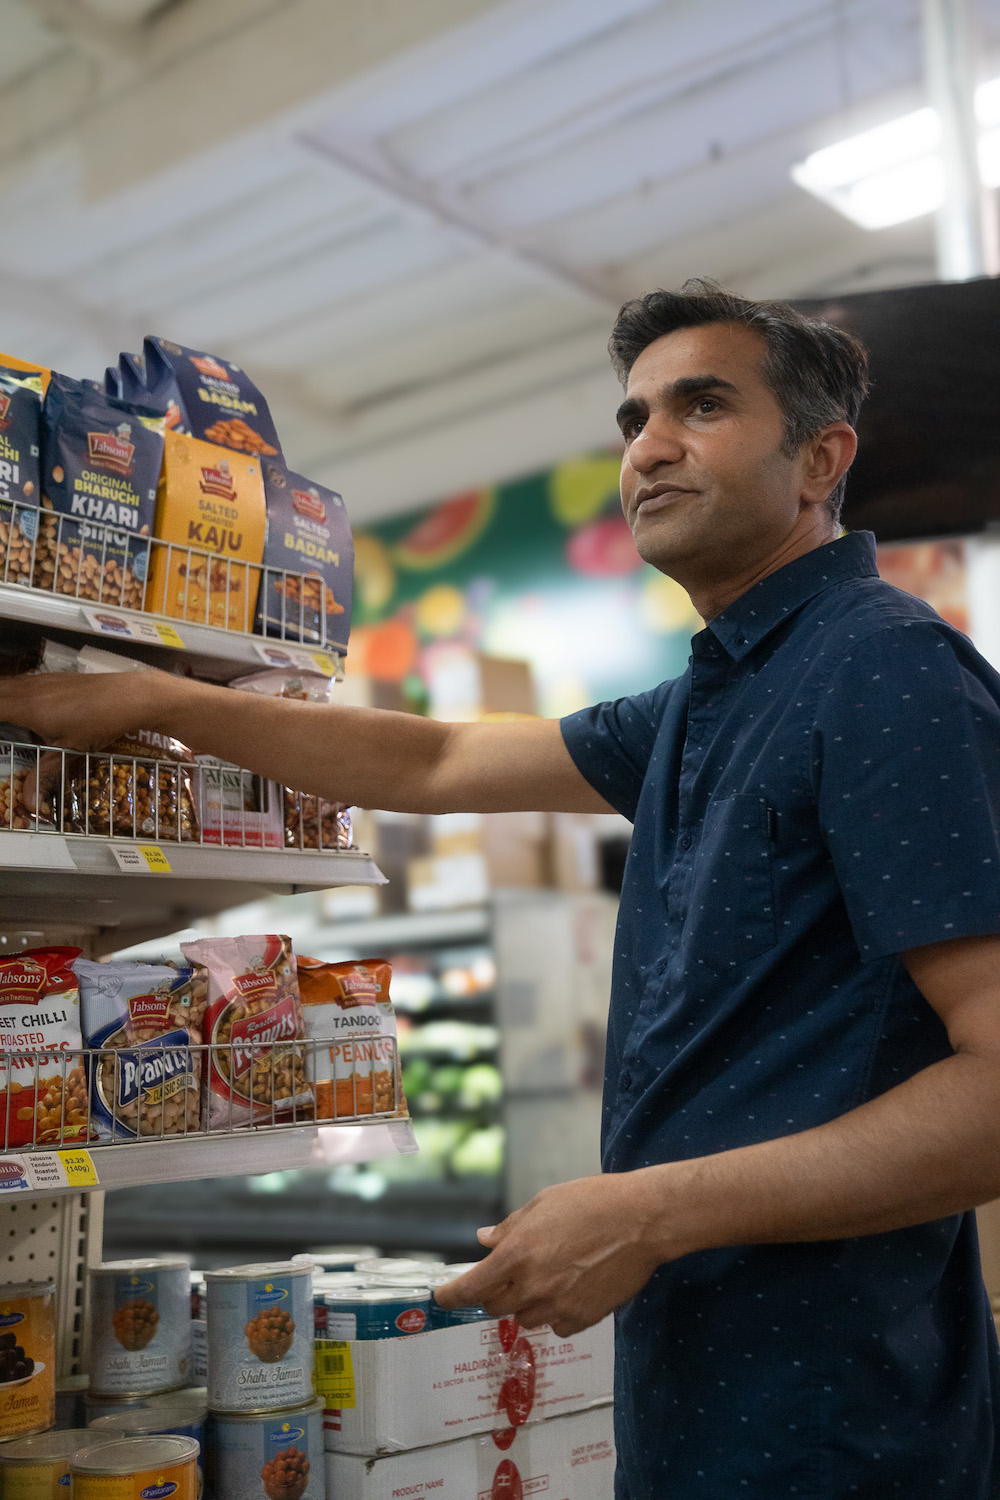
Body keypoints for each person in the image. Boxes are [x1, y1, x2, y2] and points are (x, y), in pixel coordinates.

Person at [3, 281, 1000, 1498]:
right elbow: (437, 760)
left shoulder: (883, 669)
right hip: (710, 1367)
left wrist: (652, 1213)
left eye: (703, 405)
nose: (650, 447)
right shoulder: (715, 693)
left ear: (820, 459)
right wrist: (156, 699)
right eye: (632, 418)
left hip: (844, 1406)